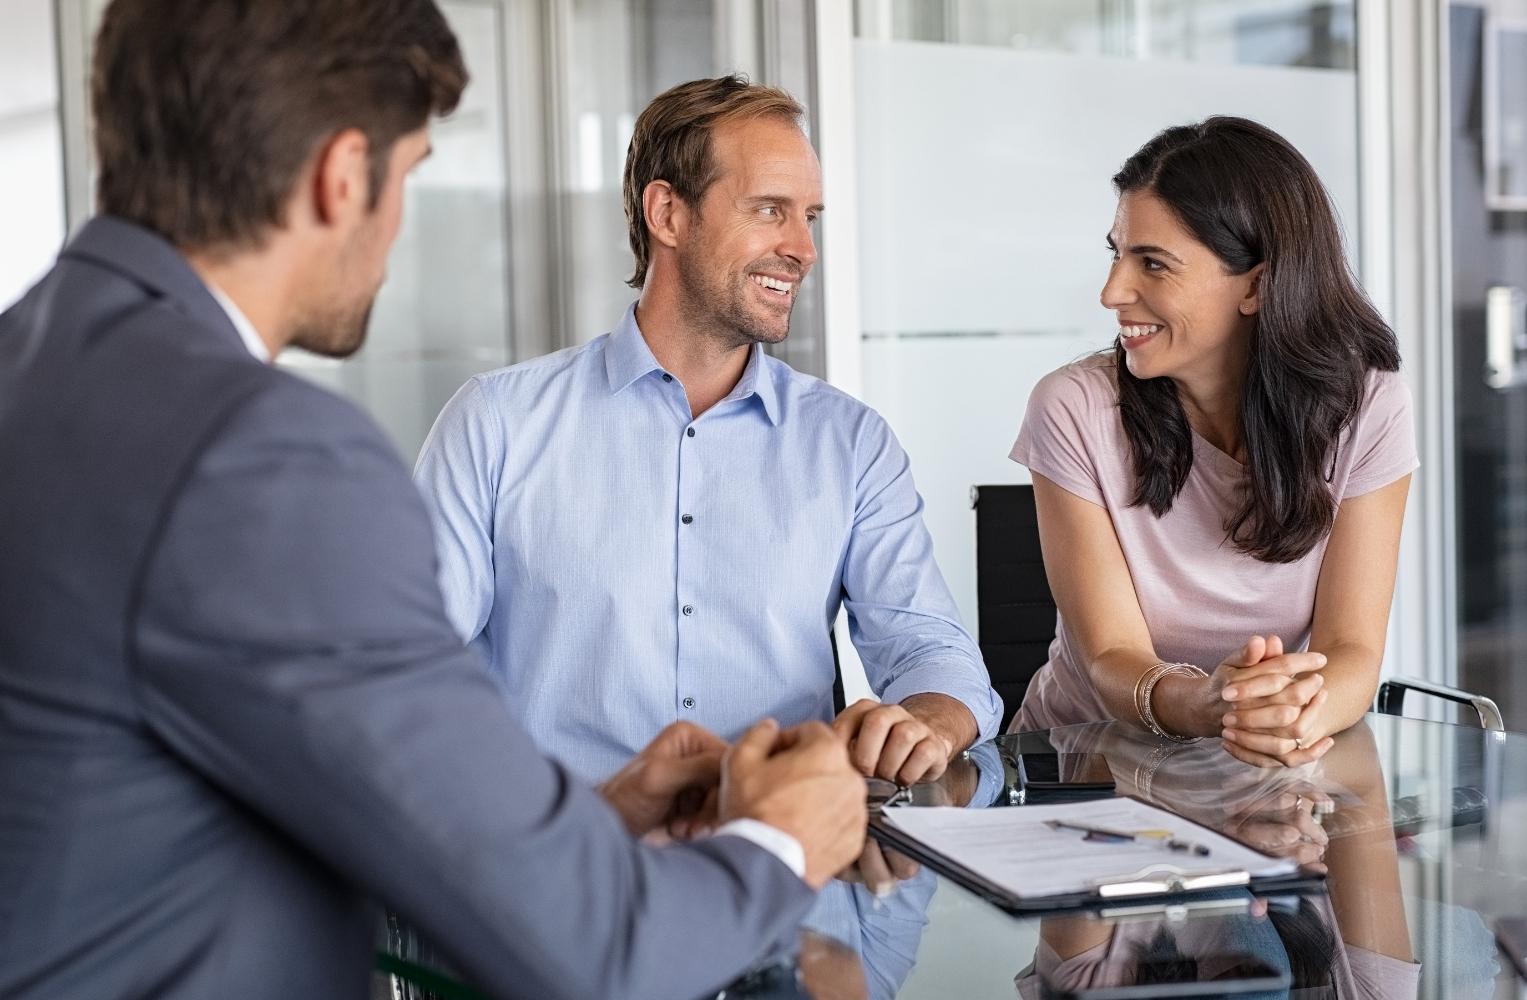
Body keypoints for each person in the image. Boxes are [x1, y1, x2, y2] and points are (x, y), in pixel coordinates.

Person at [0, 4, 868, 999]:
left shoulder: (30, 363)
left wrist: (584, 822)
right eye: (409, 174)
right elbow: (604, 951)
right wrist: (779, 837)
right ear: (340, 176)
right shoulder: (262, 458)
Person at [413, 74, 1001, 788]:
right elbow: (413, 667)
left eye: (808, 216)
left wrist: (928, 720)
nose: (802, 248)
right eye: (768, 210)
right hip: (561, 862)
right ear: (667, 212)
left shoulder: (849, 443)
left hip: (780, 864)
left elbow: (928, 647)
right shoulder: (497, 423)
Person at [1008, 116, 1416, 768]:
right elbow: (1111, 657)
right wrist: (1210, 705)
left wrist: (1286, 714)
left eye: (1152, 263)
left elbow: (1351, 651)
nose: (1112, 291)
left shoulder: (1366, 407)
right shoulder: (1072, 407)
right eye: (1115, 253)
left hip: (1259, 769)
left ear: (1255, 284)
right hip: (1082, 771)